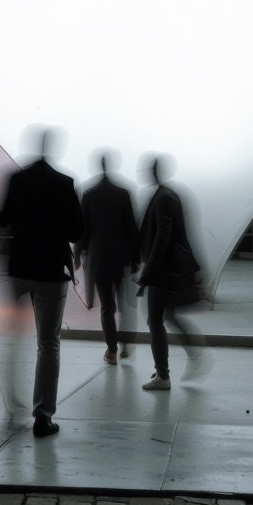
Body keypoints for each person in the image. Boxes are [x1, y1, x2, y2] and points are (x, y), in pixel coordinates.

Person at [0, 129, 83, 436]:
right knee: (48, 344)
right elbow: (75, 232)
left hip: (20, 267)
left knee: (12, 339)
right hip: (50, 271)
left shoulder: (16, 179)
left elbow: (2, 218)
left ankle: (11, 407)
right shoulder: (65, 183)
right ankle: (42, 415)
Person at [136, 155, 201, 391]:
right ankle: (193, 354)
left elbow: (162, 238)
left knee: (155, 320)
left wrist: (147, 274)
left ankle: (163, 375)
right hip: (170, 269)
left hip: (164, 271)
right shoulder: (167, 195)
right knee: (168, 317)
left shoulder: (163, 198)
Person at [77, 152, 137, 364]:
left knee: (106, 307)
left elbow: (82, 231)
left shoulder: (90, 194)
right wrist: (136, 257)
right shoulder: (123, 194)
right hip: (121, 258)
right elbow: (131, 227)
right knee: (123, 305)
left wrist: (77, 256)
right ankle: (125, 345)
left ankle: (111, 350)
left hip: (99, 257)